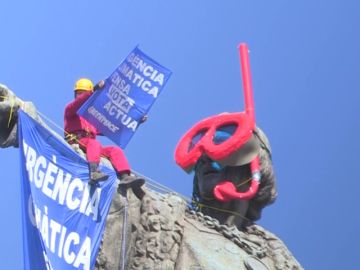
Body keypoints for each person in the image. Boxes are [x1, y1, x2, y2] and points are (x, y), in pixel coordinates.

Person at [64, 78, 145, 198]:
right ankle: (94, 172)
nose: (81, 96)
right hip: (77, 139)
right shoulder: (70, 111)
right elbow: (79, 103)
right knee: (94, 144)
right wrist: (93, 91)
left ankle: (125, 177)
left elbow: (112, 127)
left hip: (90, 145)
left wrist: (135, 122)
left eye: (83, 93)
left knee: (114, 150)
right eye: (79, 93)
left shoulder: (91, 118)